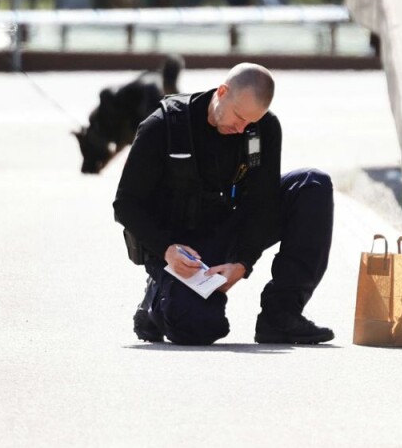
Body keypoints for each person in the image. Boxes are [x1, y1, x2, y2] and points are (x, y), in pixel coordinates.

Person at [114, 63, 335, 345]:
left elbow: (262, 203)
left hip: (229, 228)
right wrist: (166, 249)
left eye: (250, 123)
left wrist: (243, 262)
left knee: (312, 185)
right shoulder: (163, 127)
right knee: (199, 328)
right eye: (238, 117)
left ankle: (281, 316)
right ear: (222, 92)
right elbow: (126, 204)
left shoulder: (261, 129)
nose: (241, 128)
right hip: (180, 248)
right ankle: (156, 300)